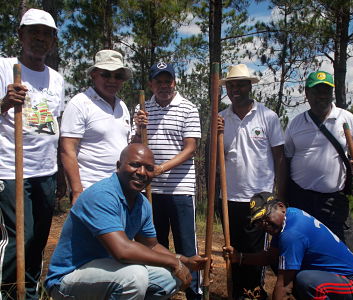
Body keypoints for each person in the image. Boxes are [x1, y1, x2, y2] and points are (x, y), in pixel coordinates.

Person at [45, 143, 207, 299]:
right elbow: (122, 251)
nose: (142, 172)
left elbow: (150, 245)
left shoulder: (141, 203)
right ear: (118, 165)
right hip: (69, 279)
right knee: (134, 277)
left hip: (109, 273)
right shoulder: (102, 195)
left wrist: (184, 261)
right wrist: (173, 262)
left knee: (169, 278)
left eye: (149, 168)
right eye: (135, 165)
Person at [0, 8, 64, 299]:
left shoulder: (57, 79)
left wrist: (60, 173)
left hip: (45, 171)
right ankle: (7, 292)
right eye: (33, 32)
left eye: (46, 34)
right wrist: (3, 103)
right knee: (17, 240)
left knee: (37, 239)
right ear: (21, 35)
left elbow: (54, 127)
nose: (40, 38)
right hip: (12, 169)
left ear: (52, 40)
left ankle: (29, 292)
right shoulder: (3, 68)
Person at [132, 62, 202, 300]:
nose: (163, 86)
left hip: (180, 189)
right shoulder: (142, 109)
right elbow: (134, 145)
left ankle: (195, 292)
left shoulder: (188, 108)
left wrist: (160, 169)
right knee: (154, 245)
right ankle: (160, 291)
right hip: (150, 191)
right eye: (158, 81)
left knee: (187, 246)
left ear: (174, 82)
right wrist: (138, 128)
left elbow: (190, 148)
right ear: (151, 84)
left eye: (167, 81)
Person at [218, 64, 286, 299]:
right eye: (231, 84)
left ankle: (255, 293)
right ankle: (237, 292)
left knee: (255, 252)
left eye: (240, 84)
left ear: (249, 86)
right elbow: (216, 159)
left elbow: (279, 157)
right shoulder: (220, 119)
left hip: (260, 200)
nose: (235, 88)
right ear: (226, 88)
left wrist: (278, 193)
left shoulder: (268, 116)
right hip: (229, 198)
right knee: (232, 250)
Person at [223, 192, 353, 300]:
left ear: (280, 206)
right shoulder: (290, 216)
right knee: (284, 265)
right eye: (259, 222)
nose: (264, 225)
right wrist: (240, 257)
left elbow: (284, 285)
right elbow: (270, 257)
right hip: (334, 280)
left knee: (306, 281)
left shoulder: (291, 233)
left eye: (266, 217)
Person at [285, 70, 353, 258]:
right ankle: (305, 287)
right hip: (301, 199)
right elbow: (286, 161)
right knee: (302, 250)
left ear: (332, 92)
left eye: (326, 90)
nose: (322, 95)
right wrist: (283, 195)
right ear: (307, 93)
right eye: (316, 91)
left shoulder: (346, 119)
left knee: (345, 251)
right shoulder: (296, 124)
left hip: (333, 200)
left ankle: (352, 287)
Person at [60, 49, 132, 204]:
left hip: (120, 189)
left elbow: (126, 145)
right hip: (91, 189)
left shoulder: (122, 106)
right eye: (106, 74)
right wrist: (77, 191)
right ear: (94, 75)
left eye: (118, 76)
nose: (112, 80)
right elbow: (67, 149)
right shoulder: (80, 103)